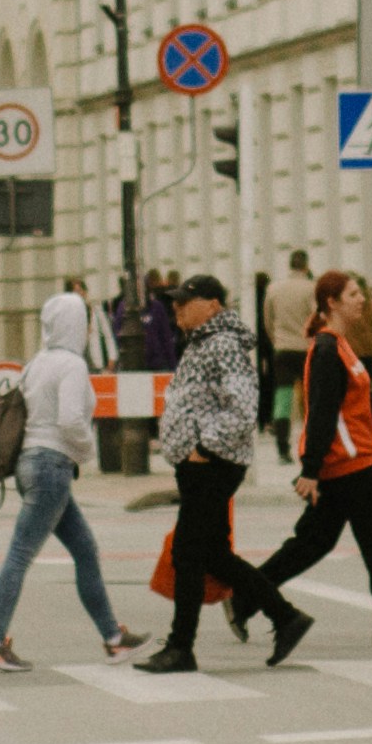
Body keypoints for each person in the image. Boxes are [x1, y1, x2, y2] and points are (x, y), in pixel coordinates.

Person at [131, 273, 306, 674]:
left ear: (212, 305)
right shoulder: (204, 341)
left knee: (187, 553)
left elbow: (243, 407)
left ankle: (180, 647)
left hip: (213, 463)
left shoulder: (222, 344)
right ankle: (285, 617)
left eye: (183, 303)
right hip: (203, 464)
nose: (175, 310)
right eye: (173, 303)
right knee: (210, 554)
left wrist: (204, 448)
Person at [254, 269, 372, 640]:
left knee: (313, 542)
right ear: (331, 303)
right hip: (349, 463)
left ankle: (245, 594)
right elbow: (321, 411)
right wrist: (310, 469)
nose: (362, 300)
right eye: (353, 294)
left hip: (346, 461)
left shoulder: (340, 345)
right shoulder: (325, 349)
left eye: (360, 293)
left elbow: (363, 399)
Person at [0, 290, 142, 672]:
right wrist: (87, 451)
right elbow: (69, 420)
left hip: (30, 465)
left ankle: (113, 638)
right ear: (76, 325)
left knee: (85, 549)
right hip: (52, 467)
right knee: (20, 555)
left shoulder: (36, 363)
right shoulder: (72, 365)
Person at [263, 251, 318, 462]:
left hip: (283, 349)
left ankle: (282, 449)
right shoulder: (311, 289)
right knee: (309, 400)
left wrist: (276, 339)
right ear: (306, 265)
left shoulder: (274, 289)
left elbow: (268, 320)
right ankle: (310, 445)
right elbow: (316, 318)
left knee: (282, 400)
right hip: (306, 350)